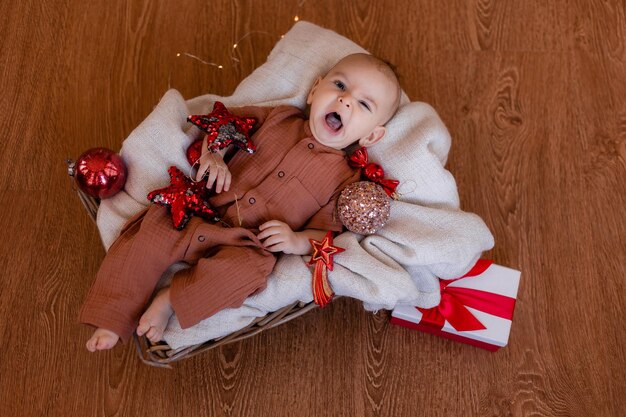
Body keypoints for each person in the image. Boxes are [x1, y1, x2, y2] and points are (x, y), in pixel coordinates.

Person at [81, 53, 402, 352]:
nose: (345, 100)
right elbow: (225, 125)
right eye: (340, 85)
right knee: (149, 233)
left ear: (371, 136)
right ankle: (113, 315)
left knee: (248, 275)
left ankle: (171, 299)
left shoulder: (343, 181)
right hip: (197, 207)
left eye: (362, 104)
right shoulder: (279, 118)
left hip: (247, 244)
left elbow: (323, 237)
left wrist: (294, 240)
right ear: (315, 90)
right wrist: (215, 156)